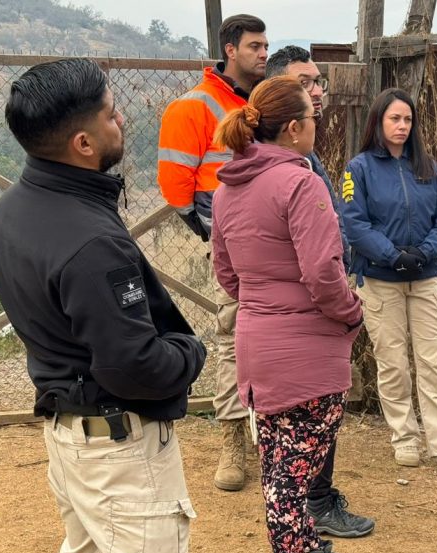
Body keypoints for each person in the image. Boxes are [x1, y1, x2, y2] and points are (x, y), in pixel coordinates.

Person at [0, 58, 206, 553]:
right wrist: (191, 351)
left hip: (70, 438)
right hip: (120, 451)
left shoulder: (14, 208)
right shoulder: (91, 242)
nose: (123, 120)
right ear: (83, 144)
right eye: (112, 114)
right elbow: (136, 367)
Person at [212, 75, 371, 553]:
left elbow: (227, 276)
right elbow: (325, 273)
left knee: (281, 461)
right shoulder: (302, 183)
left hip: (258, 345)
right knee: (293, 472)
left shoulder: (227, 188)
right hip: (308, 350)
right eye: (313, 121)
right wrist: (351, 314)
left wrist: (263, 296)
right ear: (298, 128)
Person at [264, 46, 375, 539]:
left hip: (288, 314)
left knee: (287, 442)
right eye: (304, 84)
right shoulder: (295, 172)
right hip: (309, 314)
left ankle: (311, 511)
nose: (317, 92)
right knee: (309, 428)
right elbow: (318, 267)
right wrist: (349, 312)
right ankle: (312, 518)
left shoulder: (268, 167)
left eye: (317, 83)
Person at [157, 13, 267, 492]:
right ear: (230, 49)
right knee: (232, 343)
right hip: (234, 252)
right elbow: (176, 188)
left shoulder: (264, 104)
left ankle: (275, 437)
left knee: (272, 342)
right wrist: (214, 233)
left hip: (277, 247)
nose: (263, 53)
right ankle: (232, 442)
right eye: (255, 46)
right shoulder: (194, 107)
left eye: (266, 46)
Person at [340, 88, 437, 477]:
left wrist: (425, 252)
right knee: (393, 363)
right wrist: (390, 255)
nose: (401, 126)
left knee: (434, 362)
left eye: (407, 120)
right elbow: (354, 223)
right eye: (394, 119)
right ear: (378, 122)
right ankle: (404, 438)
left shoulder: (428, 168)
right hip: (381, 282)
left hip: (426, 279)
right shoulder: (359, 169)